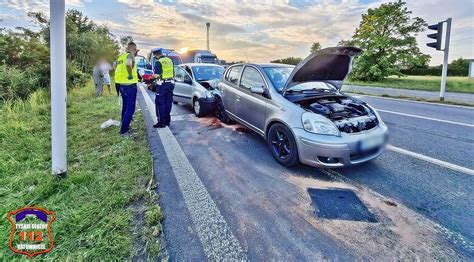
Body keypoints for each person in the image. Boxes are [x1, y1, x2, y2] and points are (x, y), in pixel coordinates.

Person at [115, 42, 139, 137]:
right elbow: (129, 64)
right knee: (130, 108)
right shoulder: (130, 55)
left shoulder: (121, 57)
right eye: (135, 50)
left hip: (121, 85)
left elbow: (115, 67)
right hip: (129, 86)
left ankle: (125, 127)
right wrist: (130, 74)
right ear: (133, 49)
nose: (136, 52)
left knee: (125, 107)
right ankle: (124, 131)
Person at [152, 48, 175, 128]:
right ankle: (167, 121)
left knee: (160, 103)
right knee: (168, 103)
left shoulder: (158, 62)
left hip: (162, 85)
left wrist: (150, 77)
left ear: (155, 55)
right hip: (170, 84)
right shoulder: (169, 60)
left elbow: (156, 75)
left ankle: (161, 122)